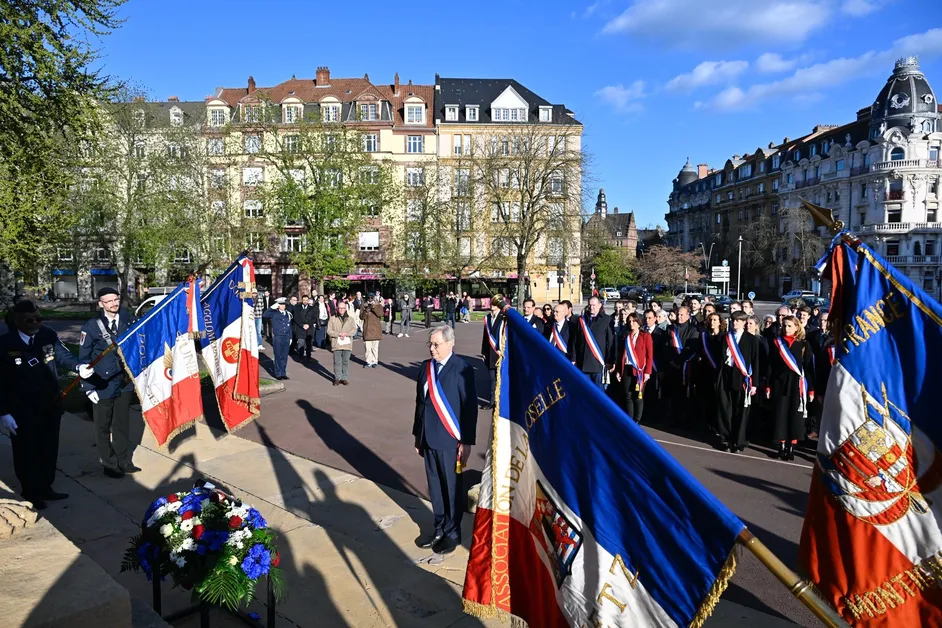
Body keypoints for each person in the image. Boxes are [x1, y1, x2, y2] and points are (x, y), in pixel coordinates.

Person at [0, 300, 93, 509]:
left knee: (48, 448)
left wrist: (78, 366)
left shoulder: (46, 335)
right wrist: (3, 412)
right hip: (21, 409)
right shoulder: (5, 344)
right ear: (17, 321)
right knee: (27, 451)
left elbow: (62, 355)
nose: (35, 323)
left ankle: (45, 487)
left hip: (50, 404)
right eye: (30, 320)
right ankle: (31, 491)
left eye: (38, 319)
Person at [413, 325, 478, 555]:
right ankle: (439, 527)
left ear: (450, 343)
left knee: (451, 488)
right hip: (428, 438)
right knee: (435, 487)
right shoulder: (425, 367)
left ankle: (453, 532)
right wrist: (417, 435)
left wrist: (467, 442)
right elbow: (420, 404)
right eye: (430, 344)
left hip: (450, 440)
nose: (432, 349)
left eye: (436, 344)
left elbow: (469, 408)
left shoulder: (462, 369)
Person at [79, 287, 140, 478]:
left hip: (124, 381)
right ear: (101, 304)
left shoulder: (128, 319)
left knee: (122, 424)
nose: (113, 304)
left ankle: (124, 461)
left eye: (116, 299)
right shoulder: (92, 325)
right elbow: (84, 358)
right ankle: (109, 464)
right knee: (103, 426)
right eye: (108, 301)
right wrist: (88, 387)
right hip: (102, 383)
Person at [766, 315, 814, 461]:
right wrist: (768, 385)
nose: (786, 328)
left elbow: (809, 368)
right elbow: (770, 366)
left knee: (795, 416)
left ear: (797, 327)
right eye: (784, 326)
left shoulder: (804, 344)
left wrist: (811, 389)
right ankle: (781, 446)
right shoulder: (777, 343)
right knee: (781, 414)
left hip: (797, 384)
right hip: (780, 383)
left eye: (790, 326)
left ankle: (791, 447)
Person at [717, 311, 760, 453]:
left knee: (740, 409)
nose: (735, 323)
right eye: (733, 320)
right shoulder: (725, 337)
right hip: (726, 374)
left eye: (738, 320)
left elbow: (756, 362)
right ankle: (726, 438)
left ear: (744, 322)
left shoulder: (752, 340)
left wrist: (754, 384)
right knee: (726, 408)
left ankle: (739, 440)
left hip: (742, 377)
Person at [569, 296, 614, 390]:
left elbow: (610, 342)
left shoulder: (607, 320)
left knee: (598, 392)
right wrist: (573, 358)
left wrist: (610, 360)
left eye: (594, 305)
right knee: (585, 391)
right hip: (582, 362)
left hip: (598, 363)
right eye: (590, 305)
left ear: (600, 305)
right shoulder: (582, 320)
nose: (591, 307)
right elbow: (575, 340)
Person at [615, 312, 653, 424]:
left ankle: (637, 420)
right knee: (628, 395)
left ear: (639, 322)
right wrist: (619, 370)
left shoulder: (645, 336)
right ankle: (630, 420)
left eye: (634, 321)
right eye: (630, 321)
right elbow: (621, 354)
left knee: (638, 396)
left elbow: (649, 355)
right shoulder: (626, 336)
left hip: (640, 370)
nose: (631, 323)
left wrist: (647, 372)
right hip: (627, 368)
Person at [665, 305, 699, 426]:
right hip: (672, 366)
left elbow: (691, 348)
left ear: (688, 316)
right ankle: (673, 418)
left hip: (686, 367)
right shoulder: (670, 328)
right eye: (678, 314)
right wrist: (671, 361)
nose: (679, 317)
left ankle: (685, 420)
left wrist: (680, 360)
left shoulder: (693, 330)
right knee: (673, 394)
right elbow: (666, 347)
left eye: (682, 315)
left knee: (685, 395)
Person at [695, 312, 725, 434]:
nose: (712, 322)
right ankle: (707, 425)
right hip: (705, 371)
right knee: (706, 400)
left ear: (720, 322)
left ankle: (717, 426)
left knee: (717, 400)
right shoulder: (704, 336)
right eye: (711, 320)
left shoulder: (723, 337)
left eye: (715, 320)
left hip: (718, 372)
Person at [480, 296, 505, 409]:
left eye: (495, 303)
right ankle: (492, 402)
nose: (492, 305)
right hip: (490, 353)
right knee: (492, 379)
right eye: (491, 303)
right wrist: (483, 352)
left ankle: (501, 402)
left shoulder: (504, 317)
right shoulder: (488, 318)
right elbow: (485, 336)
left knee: (501, 379)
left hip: (500, 353)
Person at [327, 300, 356, 385]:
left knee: (345, 361)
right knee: (337, 361)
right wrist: (338, 334)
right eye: (339, 308)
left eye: (343, 308)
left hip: (347, 343)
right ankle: (337, 378)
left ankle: (344, 378)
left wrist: (347, 334)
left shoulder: (350, 319)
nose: (341, 310)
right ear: (337, 308)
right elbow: (329, 331)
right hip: (337, 343)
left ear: (345, 309)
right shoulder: (332, 318)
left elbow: (354, 330)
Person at [263, 297, 292, 381]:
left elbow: (290, 326)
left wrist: (290, 337)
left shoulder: (288, 314)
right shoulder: (274, 313)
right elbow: (265, 314)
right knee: (278, 355)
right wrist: (272, 307)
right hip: (278, 337)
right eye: (281, 304)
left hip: (286, 337)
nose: (283, 306)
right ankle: (278, 373)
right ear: (278, 305)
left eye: (284, 305)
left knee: (284, 356)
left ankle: (283, 373)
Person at [360, 294, 384, 368]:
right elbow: (361, 317)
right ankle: (368, 361)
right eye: (369, 298)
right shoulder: (364, 306)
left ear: (374, 298)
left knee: (375, 348)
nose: (370, 299)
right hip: (367, 329)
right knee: (368, 348)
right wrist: (366, 311)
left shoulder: (378, 305)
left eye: (371, 298)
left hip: (376, 329)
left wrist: (373, 307)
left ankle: (375, 361)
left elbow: (380, 314)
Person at [293, 295, 316, 362]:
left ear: (308, 301)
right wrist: (302, 325)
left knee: (309, 344)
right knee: (301, 343)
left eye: (306, 300)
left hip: (309, 328)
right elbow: (296, 318)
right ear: (302, 300)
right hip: (300, 328)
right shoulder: (297, 308)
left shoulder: (312, 308)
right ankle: (301, 357)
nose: (305, 301)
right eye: (304, 300)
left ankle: (308, 357)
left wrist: (308, 324)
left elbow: (314, 318)